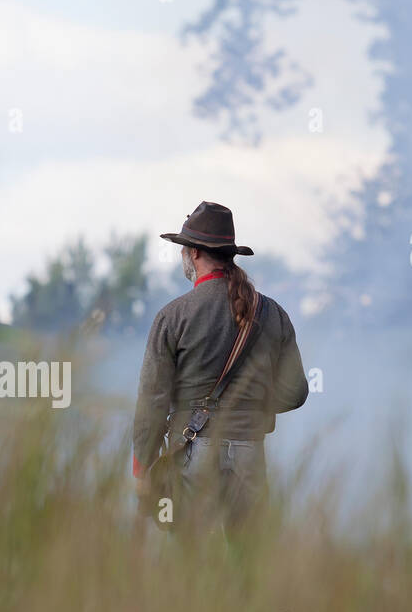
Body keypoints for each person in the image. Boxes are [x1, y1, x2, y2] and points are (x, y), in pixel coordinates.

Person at [132, 201, 309, 536]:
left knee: (191, 561)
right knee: (249, 562)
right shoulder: (274, 314)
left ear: (195, 253)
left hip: (191, 457)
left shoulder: (173, 316)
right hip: (250, 455)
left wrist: (142, 469)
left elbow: (151, 403)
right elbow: (296, 392)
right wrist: (248, 405)